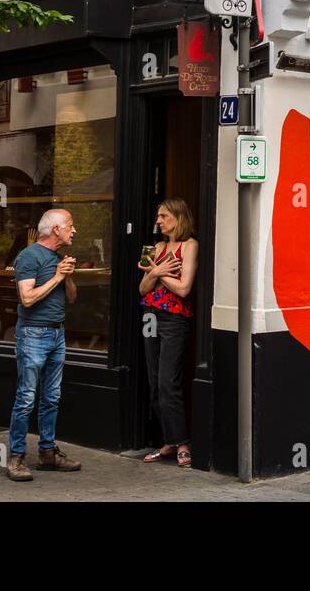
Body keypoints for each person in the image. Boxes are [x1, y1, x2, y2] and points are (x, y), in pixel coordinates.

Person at [6, 207, 82, 482]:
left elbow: (71, 298)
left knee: (52, 397)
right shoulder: (28, 257)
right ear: (56, 229)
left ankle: (47, 454)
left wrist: (68, 275)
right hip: (33, 335)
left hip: (56, 334)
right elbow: (27, 298)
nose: (74, 230)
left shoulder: (58, 258)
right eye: (70, 225)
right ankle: (15, 458)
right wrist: (58, 277)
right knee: (26, 398)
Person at [138, 198, 198, 468]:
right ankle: (168, 441)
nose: (158, 221)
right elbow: (142, 289)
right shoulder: (158, 247)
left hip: (174, 319)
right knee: (153, 382)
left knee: (167, 382)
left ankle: (183, 442)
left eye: (163, 216)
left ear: (178, 217)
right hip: (150, 316)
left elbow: (184, 288)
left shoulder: (190, 246)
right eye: (158, 216)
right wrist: (157, 272)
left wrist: (157, 272)